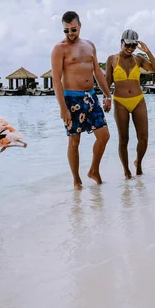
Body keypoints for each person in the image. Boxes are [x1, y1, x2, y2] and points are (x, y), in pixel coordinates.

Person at [51, 11, 111, 189]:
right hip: (72, 98)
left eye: (73, 29)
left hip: (91, 96)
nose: (70, 33)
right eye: (66, 30)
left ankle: (94, 169)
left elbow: (97, 72)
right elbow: (56, 80)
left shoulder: (90, 45)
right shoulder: (59, 49)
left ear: (80, 25)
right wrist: (63, 107)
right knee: (74, 141)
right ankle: (76, 180)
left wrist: (108, 95)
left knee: (104, 136)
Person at [106, 29, 155, 178]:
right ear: (121, 42)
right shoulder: (111, 59)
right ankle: (126, 170)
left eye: (133, 46)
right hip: (120, 101)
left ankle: (139, 163)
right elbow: (107, 82)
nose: (130, 49)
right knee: (124, 138)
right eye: (127, 45)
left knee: (143, 138)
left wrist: (147, 51)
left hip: (138, 101)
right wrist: (106, 99)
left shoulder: (138, 59)